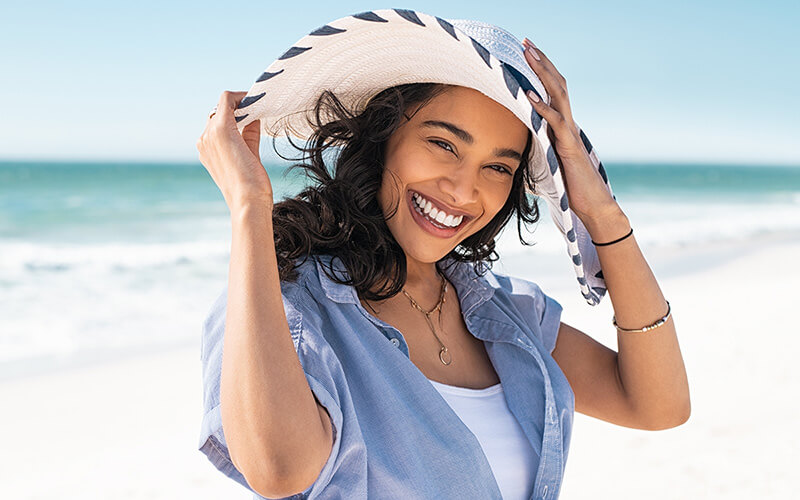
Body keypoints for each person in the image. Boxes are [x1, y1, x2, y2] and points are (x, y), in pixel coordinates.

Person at [196, 9, 690, 500]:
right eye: (442, 144)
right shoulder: (285, 308)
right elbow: (279, 469)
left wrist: (602, 215)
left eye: (498, 167)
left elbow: (659, 405)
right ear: (383, 135)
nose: (462, 190)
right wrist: (249, 209)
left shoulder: (509, 315)